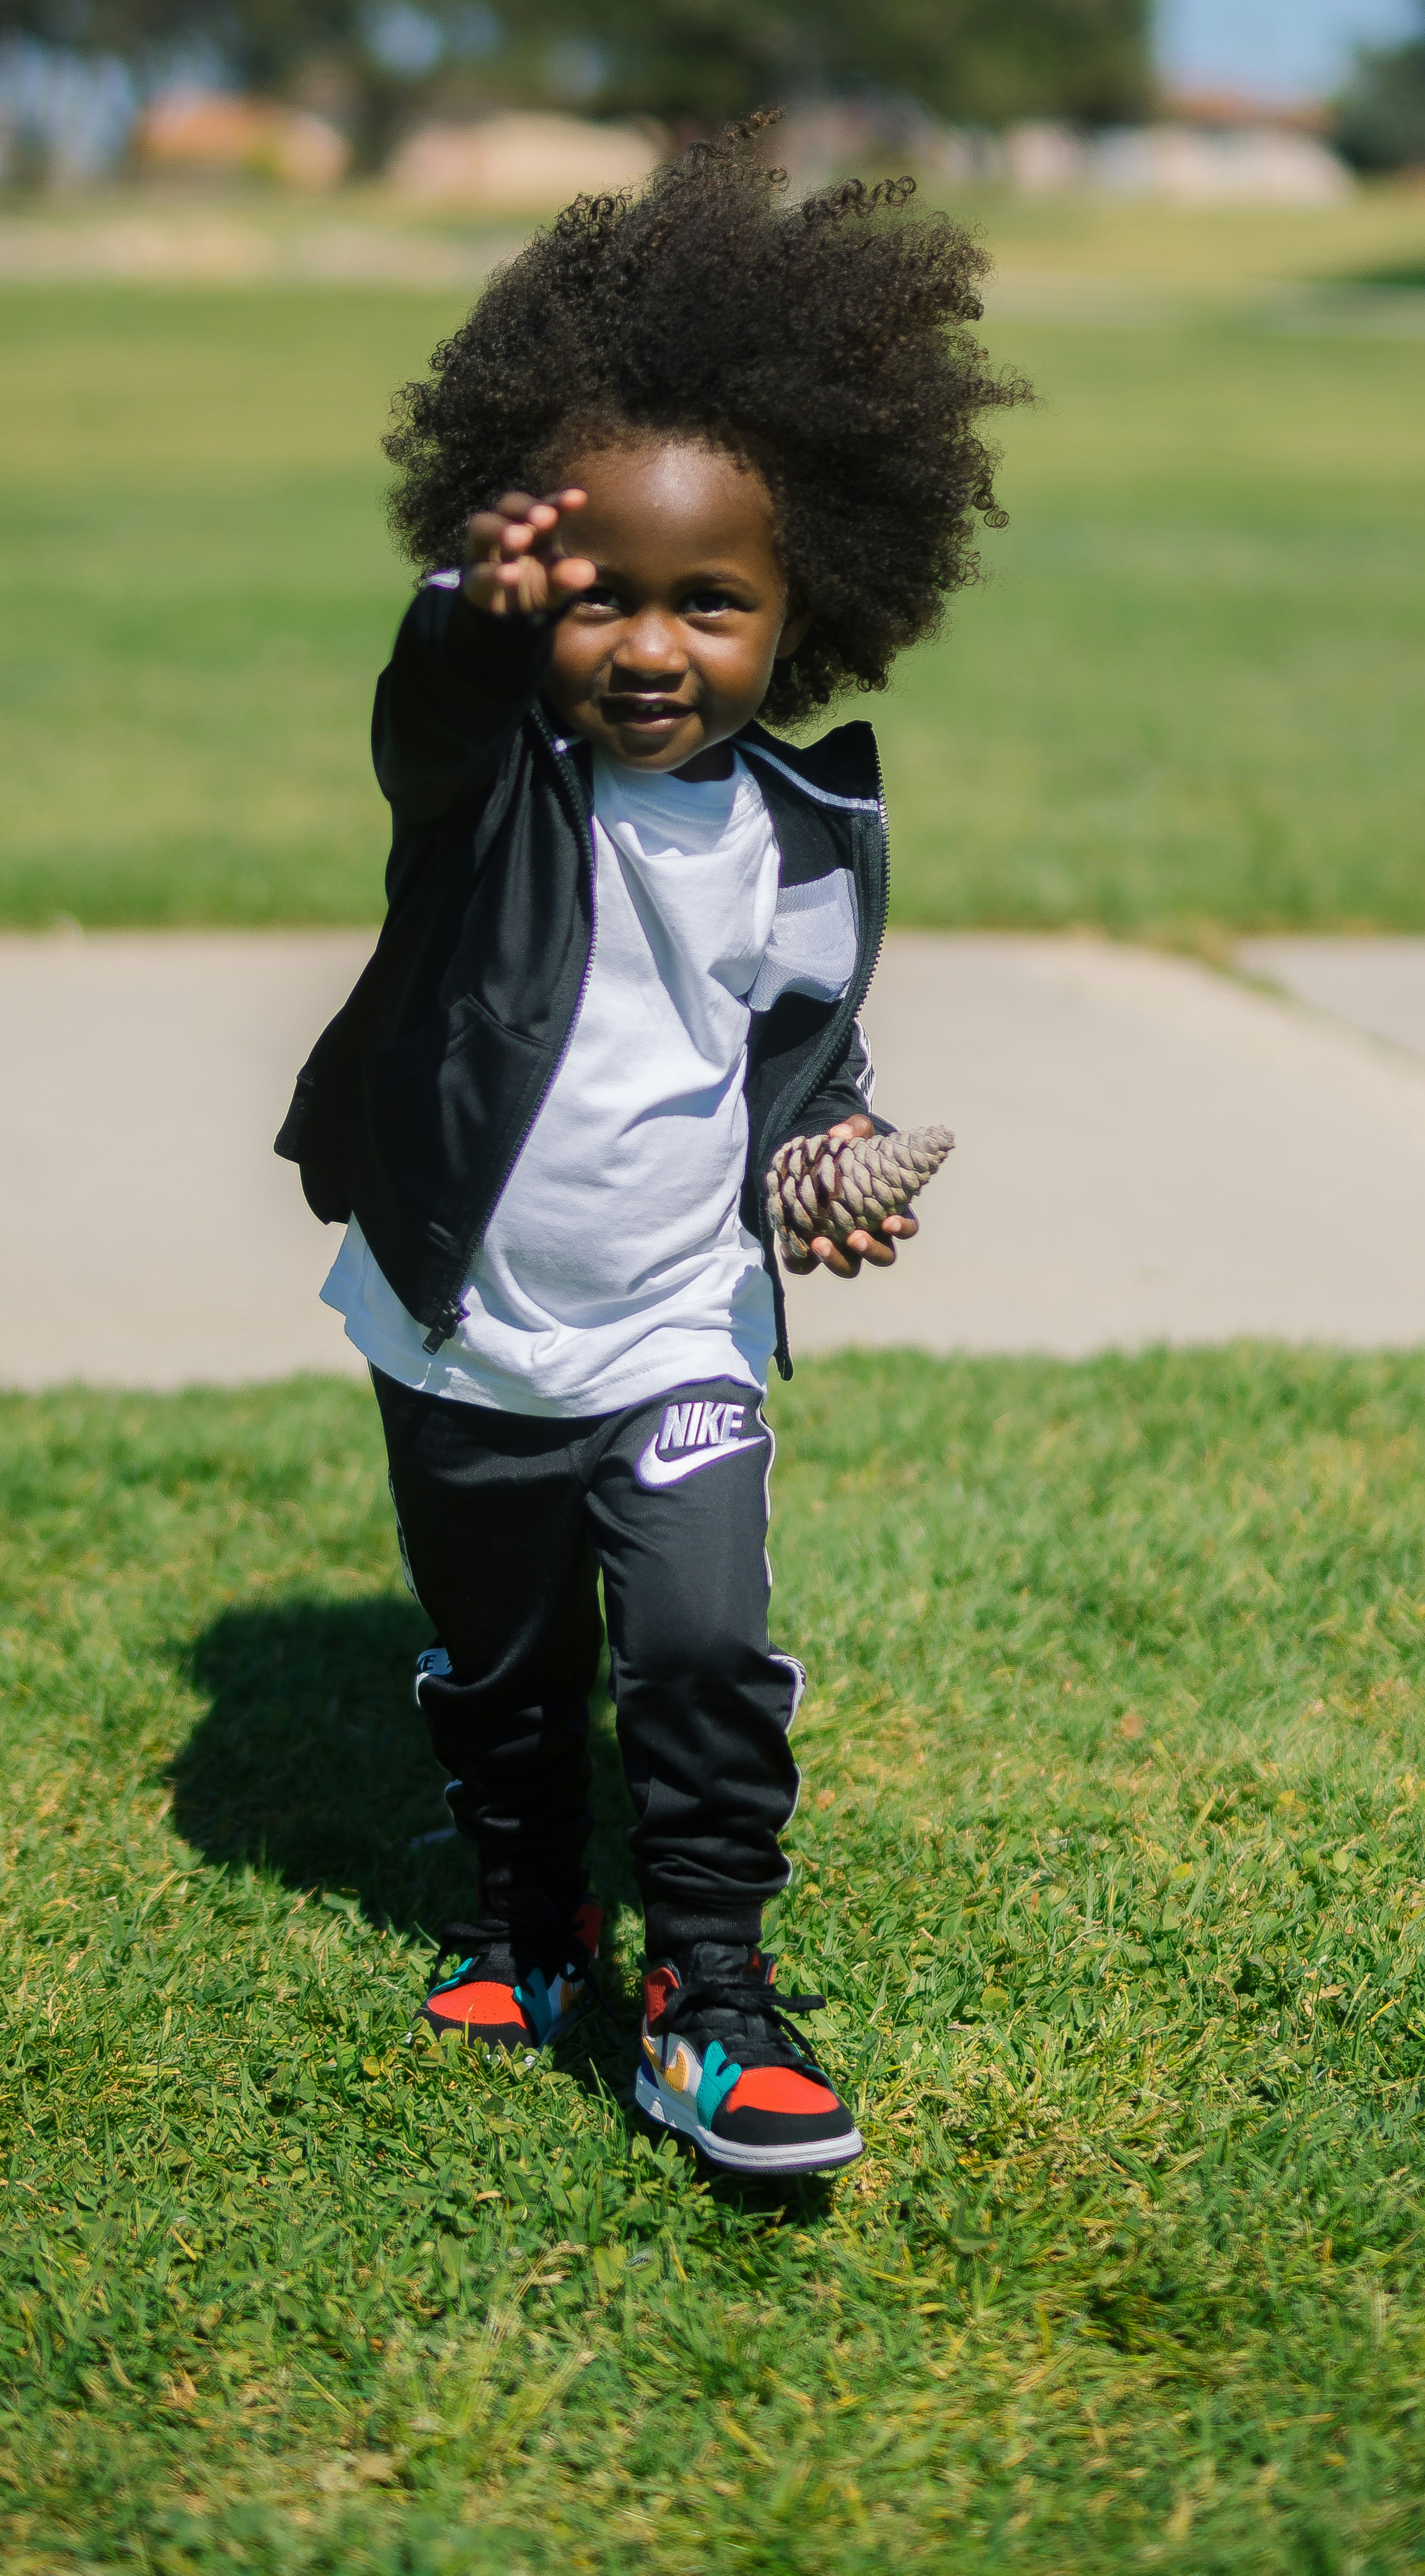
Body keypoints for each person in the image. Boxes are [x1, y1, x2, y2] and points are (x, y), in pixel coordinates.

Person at [276, 121, 1021, 2175]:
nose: (652, 648)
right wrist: (461, 619)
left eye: (715, 604)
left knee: (697, 1646)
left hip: (678, 1320)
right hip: (461, 1327)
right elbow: (421, 729)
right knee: (508, 1667)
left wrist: (830, 1158)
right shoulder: (495, 784)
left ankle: (713, 1989)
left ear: (810, 609)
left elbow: (803, 1052)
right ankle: (522, 1913)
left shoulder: (801, 839)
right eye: (602, 600)